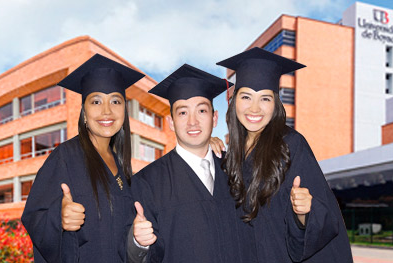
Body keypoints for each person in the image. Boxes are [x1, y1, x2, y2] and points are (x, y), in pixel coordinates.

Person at [211, 47, 353, 262]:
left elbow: (325, 217)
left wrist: (305, 213)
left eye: (265, 99)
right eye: (247, 97)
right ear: (233, 100)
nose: (255, 108)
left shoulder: (291, 144)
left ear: (275, 104)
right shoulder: (231, 157)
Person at [21, 54, 145, 262]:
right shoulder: (64, 157)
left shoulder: (122, 166)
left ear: (124, 110)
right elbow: (34, 216)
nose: (107, 111)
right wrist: (58, 218)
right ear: (84, 113)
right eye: (96, 101)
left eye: (115, 101)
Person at [128, 64, 242, 262]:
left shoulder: (236, 171)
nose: (192, 122)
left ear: (214, 118)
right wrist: (139, 243)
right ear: (171, 122)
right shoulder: (147, 182)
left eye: (201, 111)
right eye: (182, 113)